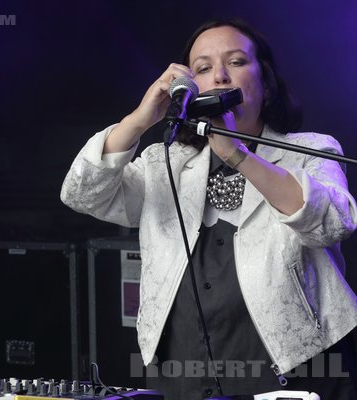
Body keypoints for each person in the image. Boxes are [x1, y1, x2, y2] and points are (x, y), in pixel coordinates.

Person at [61, 18, 357, 399]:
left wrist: (237, 154)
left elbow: (332, 224)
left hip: (301, 371)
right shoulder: (163, 163)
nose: (219, 75)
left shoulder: (312, 150)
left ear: (265, 84)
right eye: (202, 68)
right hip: (184, 370)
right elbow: (82, 193)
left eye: (235, 62)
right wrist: (139, 119)